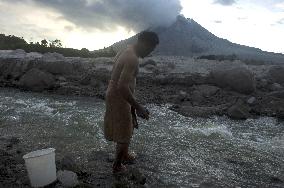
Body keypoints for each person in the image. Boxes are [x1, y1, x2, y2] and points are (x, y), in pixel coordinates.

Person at [104, 31, 159, 173]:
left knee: (129, 124)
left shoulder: (126, 49)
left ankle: (125, 155)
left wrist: (133, 109)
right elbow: (122, 86)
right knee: (124, 132)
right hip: (119, 95)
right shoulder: (132, 58)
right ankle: (117, 166)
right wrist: (138, 107)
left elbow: (123, 82)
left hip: (118, 93)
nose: (149, 53)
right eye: (150, 49)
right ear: (143, 43)